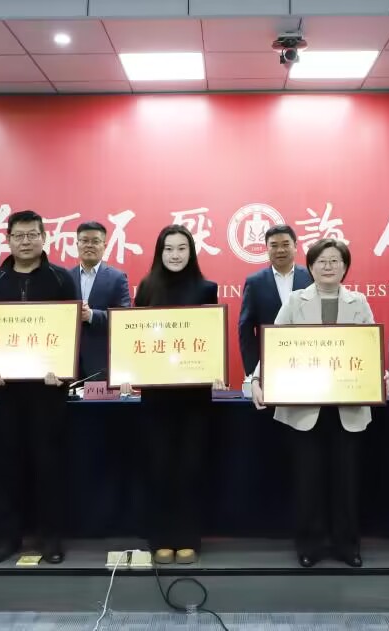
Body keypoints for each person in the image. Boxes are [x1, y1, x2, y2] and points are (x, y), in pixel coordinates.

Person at [250, 238, 374, 569]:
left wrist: (379, 376)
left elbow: (369, 348)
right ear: (311, 267)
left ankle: (347, 545)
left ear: (345, 267)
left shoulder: (359, 302)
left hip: (347, 406)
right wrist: (257, 380)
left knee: (346, 482)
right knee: (308, 481)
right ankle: (310, 544)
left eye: (335, 261)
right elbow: (274, 345)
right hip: (304, 407)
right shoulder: (295, 301)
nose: (328, 266)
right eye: (322, 261)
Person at [0, 209, 80, 565]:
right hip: (7, 391)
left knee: (48, 465)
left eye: (32, 235)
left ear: (44, 238)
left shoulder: (61, 279)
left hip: (48, 390)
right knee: (8, 466)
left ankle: (50, 538)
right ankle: (7, 538)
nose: (25, 242)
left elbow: (71, 331)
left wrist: (64, 371)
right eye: (18, 236)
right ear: (8, 240)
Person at [123, 224, 225, 565]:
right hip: (157, 395)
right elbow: (135, 336)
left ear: (191, 252)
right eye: (169, 249)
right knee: (160, 466)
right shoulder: (147, 287)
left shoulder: (206, 288)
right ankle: (161, 538)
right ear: (160, 253)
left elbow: (211, 338)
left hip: (194, 396)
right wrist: (128, 372)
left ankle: (188, 539)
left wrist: (216, 367)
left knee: (189, 467)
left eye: (182, 248)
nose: (175, 255)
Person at [238, 225, 311, 379]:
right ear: (267, 248)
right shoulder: (255, 282)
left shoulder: (311, 278)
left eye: (285, 244)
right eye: (274, 245)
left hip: (308, 360)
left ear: (295, 246)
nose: (280, 250)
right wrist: (253, 370)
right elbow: (246, 328)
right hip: (269, 362)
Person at [69, 221, 131, 381]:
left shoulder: (117, 278)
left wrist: (91, 315)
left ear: (104, 246)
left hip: (101, 363)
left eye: (95, 241)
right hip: (69, 360)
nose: (89, 245)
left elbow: (124, 318)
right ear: (77, 244)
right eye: (84, 240)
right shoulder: (66, 277)